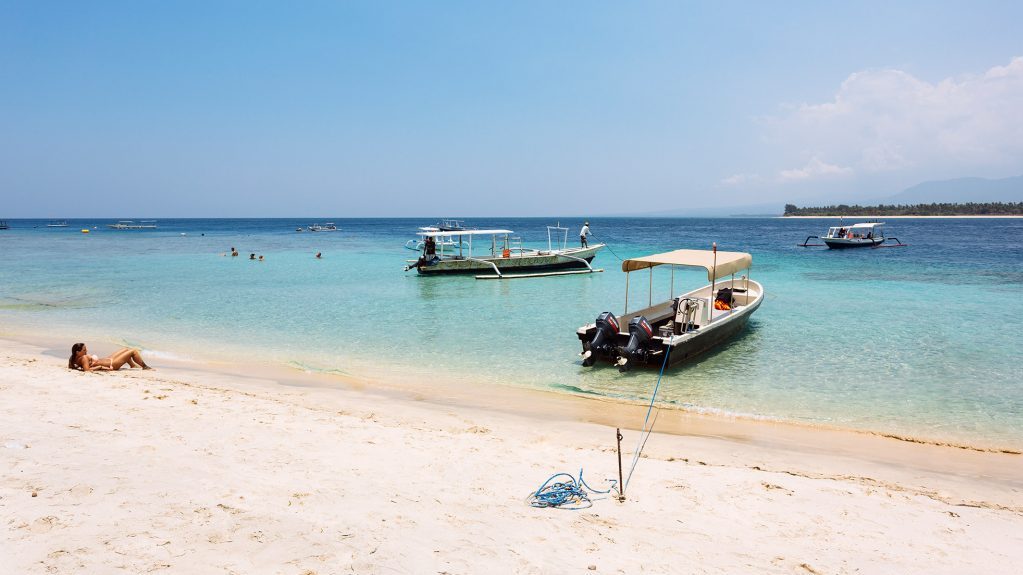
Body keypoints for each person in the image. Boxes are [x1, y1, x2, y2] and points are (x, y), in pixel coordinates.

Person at [68, 343, 153, 372]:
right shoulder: (84, 358)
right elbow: (87, 371)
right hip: (113, 364)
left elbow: (73, 367)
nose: (86, 351)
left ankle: (133, 365)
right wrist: (100, 367)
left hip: (108, 359)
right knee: (133, 351)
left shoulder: (72, 358)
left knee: (125, 349)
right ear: (78, 352)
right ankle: (145, 367)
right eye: (84, 350)